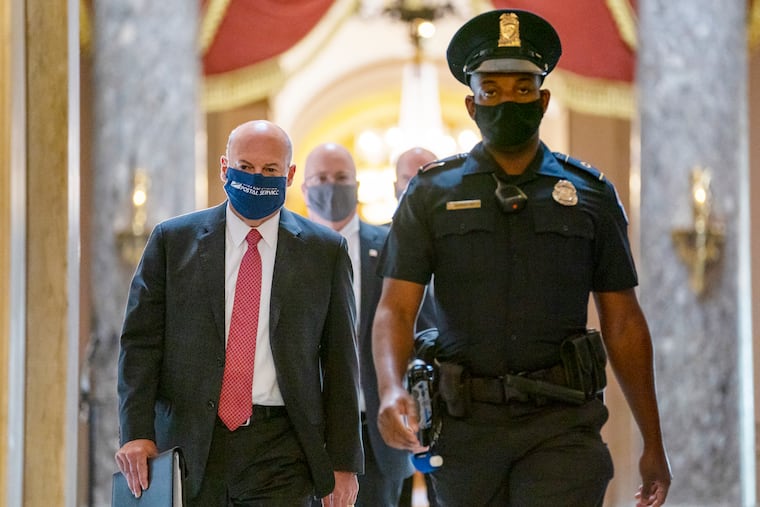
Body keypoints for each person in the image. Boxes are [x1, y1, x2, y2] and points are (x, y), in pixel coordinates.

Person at [372, 9, 671, 507]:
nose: (506, 99)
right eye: (491, 89)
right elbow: (395, 309)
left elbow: (623, 323)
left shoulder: (589, 194)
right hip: (465, 429)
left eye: (522, 87)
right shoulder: (430, 194)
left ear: (543, 98)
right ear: (471, 104)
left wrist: (653, 441)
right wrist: (388, 388)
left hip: (562, 425)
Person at [115, 120, 362, 507]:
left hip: (282, 447)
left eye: (269, 171)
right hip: (188, 443)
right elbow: (140, 344)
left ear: (290, 175)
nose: (256, 179)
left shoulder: (323, 252)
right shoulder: (172, 241)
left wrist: (344, 462)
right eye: (245, 167)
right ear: (224, 168)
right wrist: (135, 432)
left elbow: (341, 361)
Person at [301, 142, 414, 506]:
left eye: (341, 178)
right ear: (303, 188)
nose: (331, 186)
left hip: (375, 436)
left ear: (357, 185)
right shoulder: (285, 250)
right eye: (321, 178)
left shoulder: (392, 246)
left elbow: (419, 330)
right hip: (302, 435)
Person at [393, 147, 441, 507]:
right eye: (410, 179)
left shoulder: (464, 244)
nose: (418, 186)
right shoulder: (381, 244)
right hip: (395, 394)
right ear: (396, 185)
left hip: (453, 393)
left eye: (427, 174)